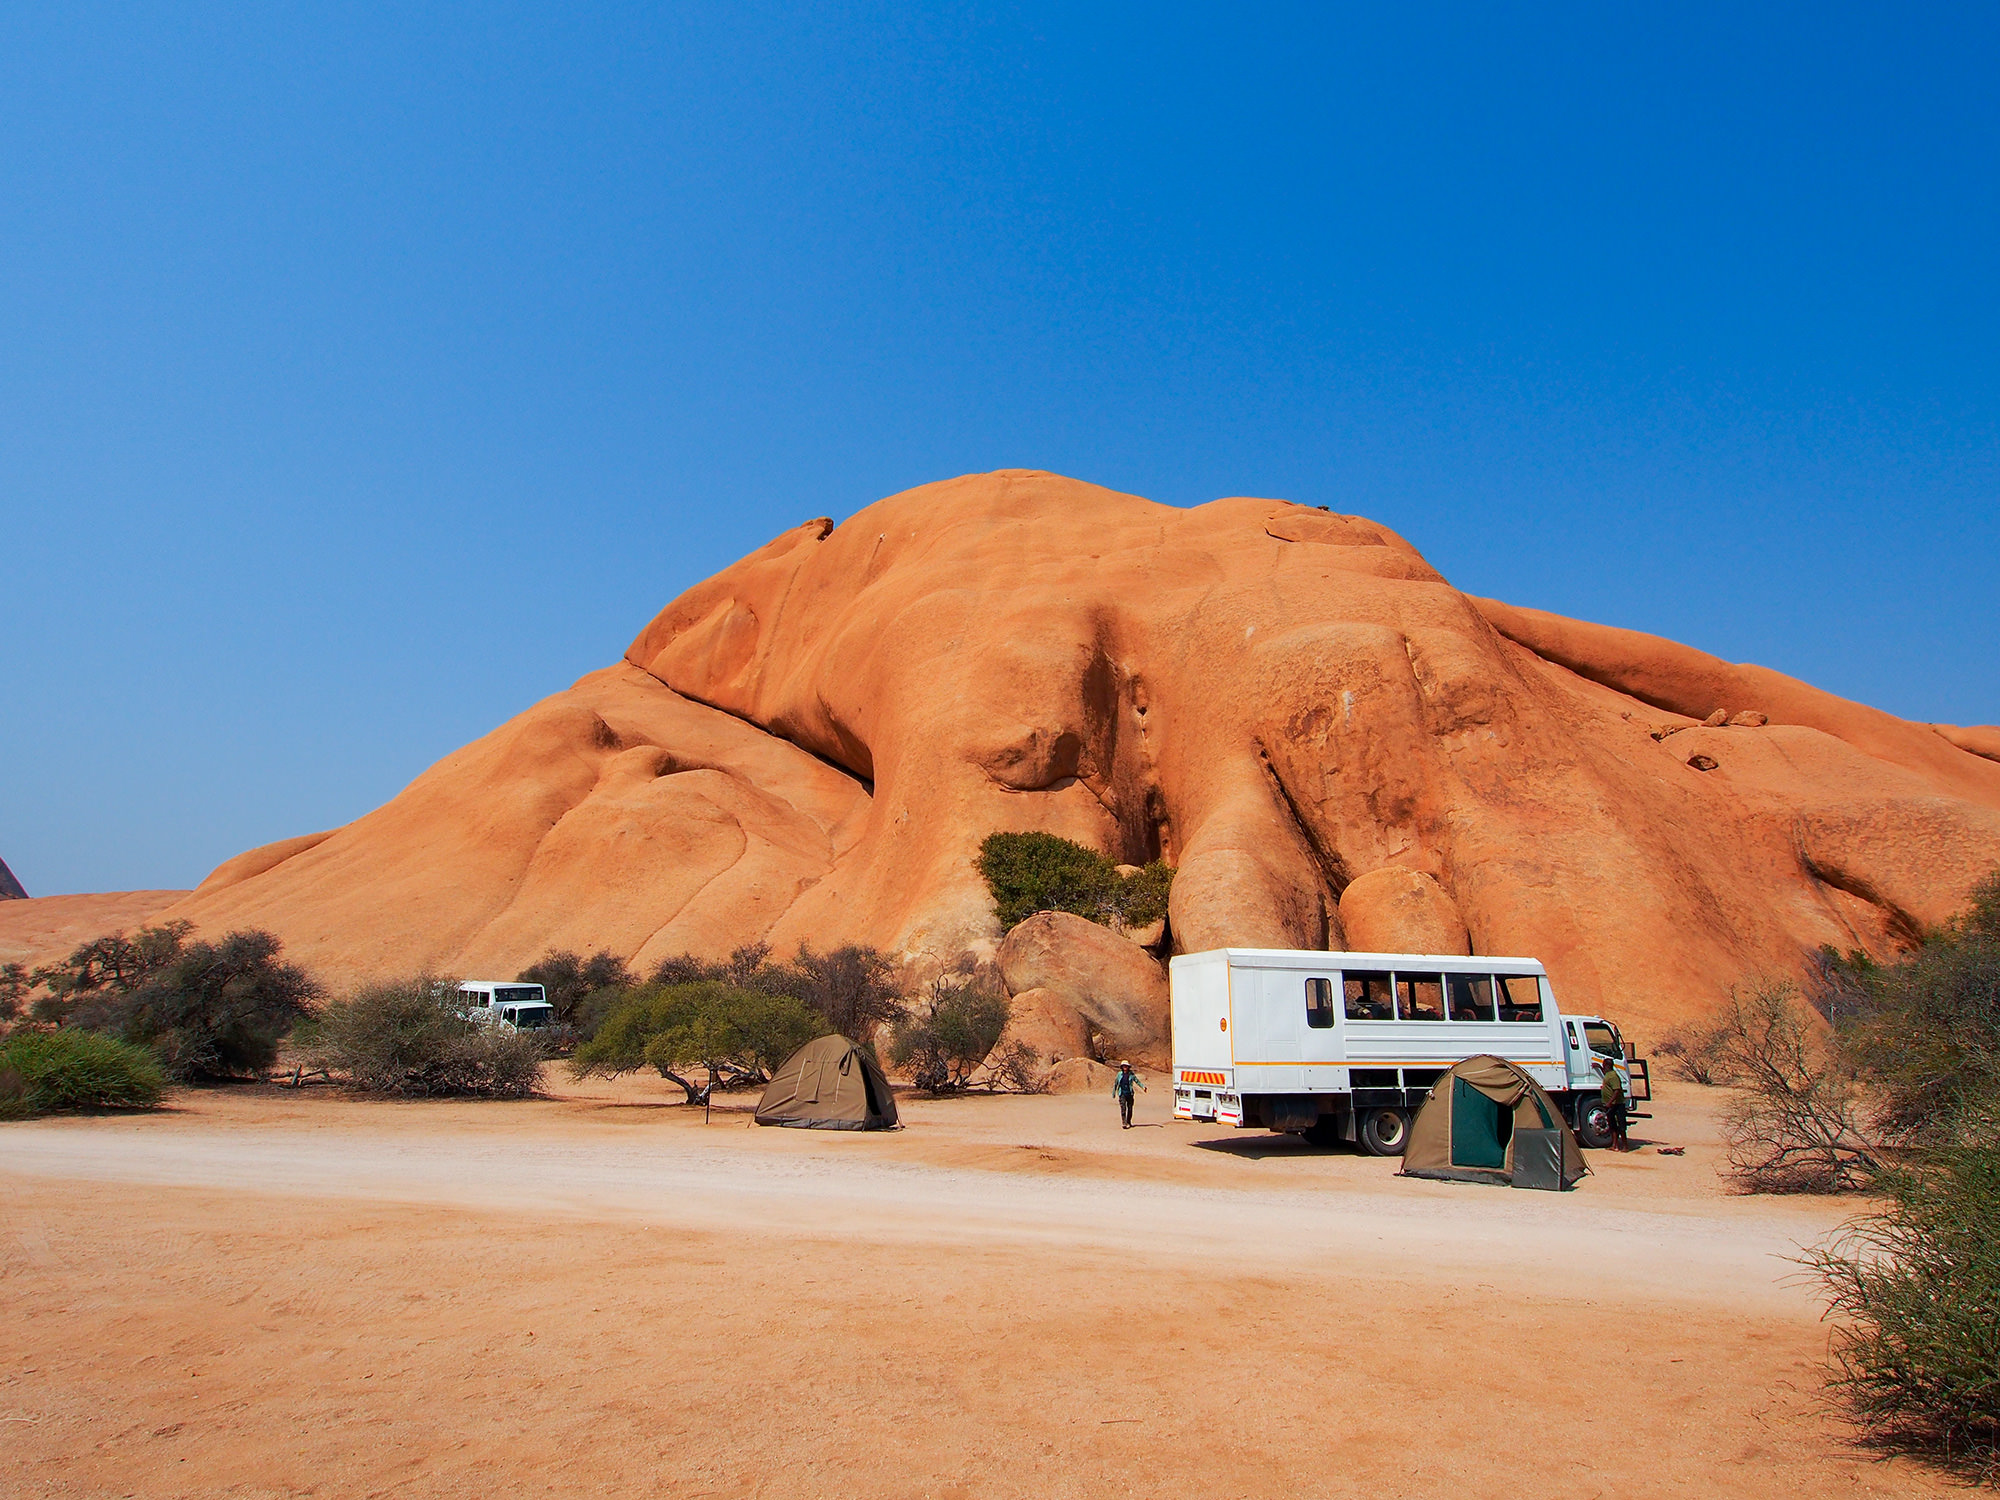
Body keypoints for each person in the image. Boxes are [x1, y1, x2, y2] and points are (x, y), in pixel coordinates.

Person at [1599, 1051, 1630, 1151]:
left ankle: (1625, 1146)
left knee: (1621, 1125)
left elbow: (1617, 1090)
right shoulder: (1608, 1074)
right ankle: (1614, 1145)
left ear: (1607, 1066)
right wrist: (1598, 1067)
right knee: (1612, 1125)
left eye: (1604, 1065)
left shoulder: (1613, 1076)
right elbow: (1604, 1073)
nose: (1603, 1067)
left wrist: (1610, 1102)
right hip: (1611, 1105)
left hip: (1617, 1104)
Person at [1111, 1061, 1146, 1129]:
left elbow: (1137, 1081)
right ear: (1122, 1067)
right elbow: (1116, 1084)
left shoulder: (1131, 1075)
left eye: (1126, 1066)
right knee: (1123, 1108)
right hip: (1122, 1093)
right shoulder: (1119, 1074)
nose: (1125, 1067)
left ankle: (1128, 1121)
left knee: (1130, 1108)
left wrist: (1143, 1087)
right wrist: (1114, 1092)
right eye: (1124, 1066)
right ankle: (1124, 1122)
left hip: (1130, 1093)